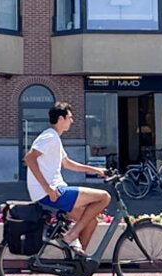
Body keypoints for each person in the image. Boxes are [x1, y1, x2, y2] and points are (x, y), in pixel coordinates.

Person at [25, 103, 110, 262]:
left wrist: (97, 170)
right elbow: (29, 158)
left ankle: (78, 263)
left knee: (91, 221)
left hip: (55, 190)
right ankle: (71, 235)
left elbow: (68, 164)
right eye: (70, 117)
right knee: (104, 197)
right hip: (52, 192)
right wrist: (47, 188)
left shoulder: (55, 138)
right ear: (60, 118)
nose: (72, 120)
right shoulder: (49, 136)